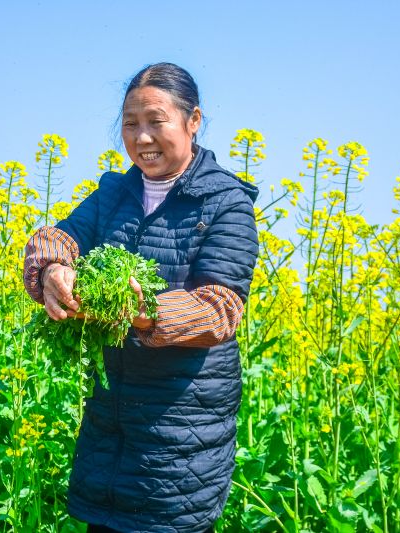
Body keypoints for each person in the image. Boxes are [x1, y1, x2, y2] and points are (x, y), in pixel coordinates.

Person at [22, 62, 259, 533]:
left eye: (156, 121)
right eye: (131, 124)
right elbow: (61, 237)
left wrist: (148, 312)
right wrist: (52, 269)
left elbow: (220, 307)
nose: (142, 137)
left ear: (193, 121)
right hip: (111, 428)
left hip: (181, 433)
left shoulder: (225, 203)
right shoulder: (115, 193)